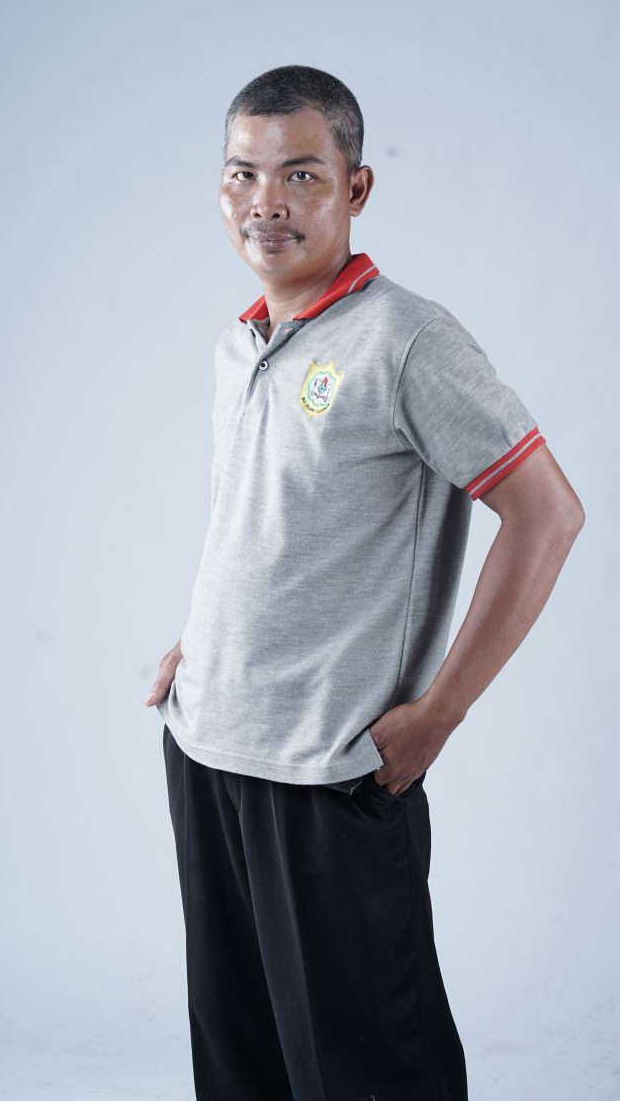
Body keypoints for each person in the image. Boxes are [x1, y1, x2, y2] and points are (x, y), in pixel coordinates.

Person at [145, 64, 585, 1101]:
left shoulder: (407, 341)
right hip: (207, 747)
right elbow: (269, 524)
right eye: (243, 174)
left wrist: (439, 715)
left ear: (356, 186)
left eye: (300, 174)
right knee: (243, 1066)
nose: (266, 201)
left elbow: (548, 515)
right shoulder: (241, 341)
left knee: (368, 1073)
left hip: (329, 771)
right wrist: (203, 643)